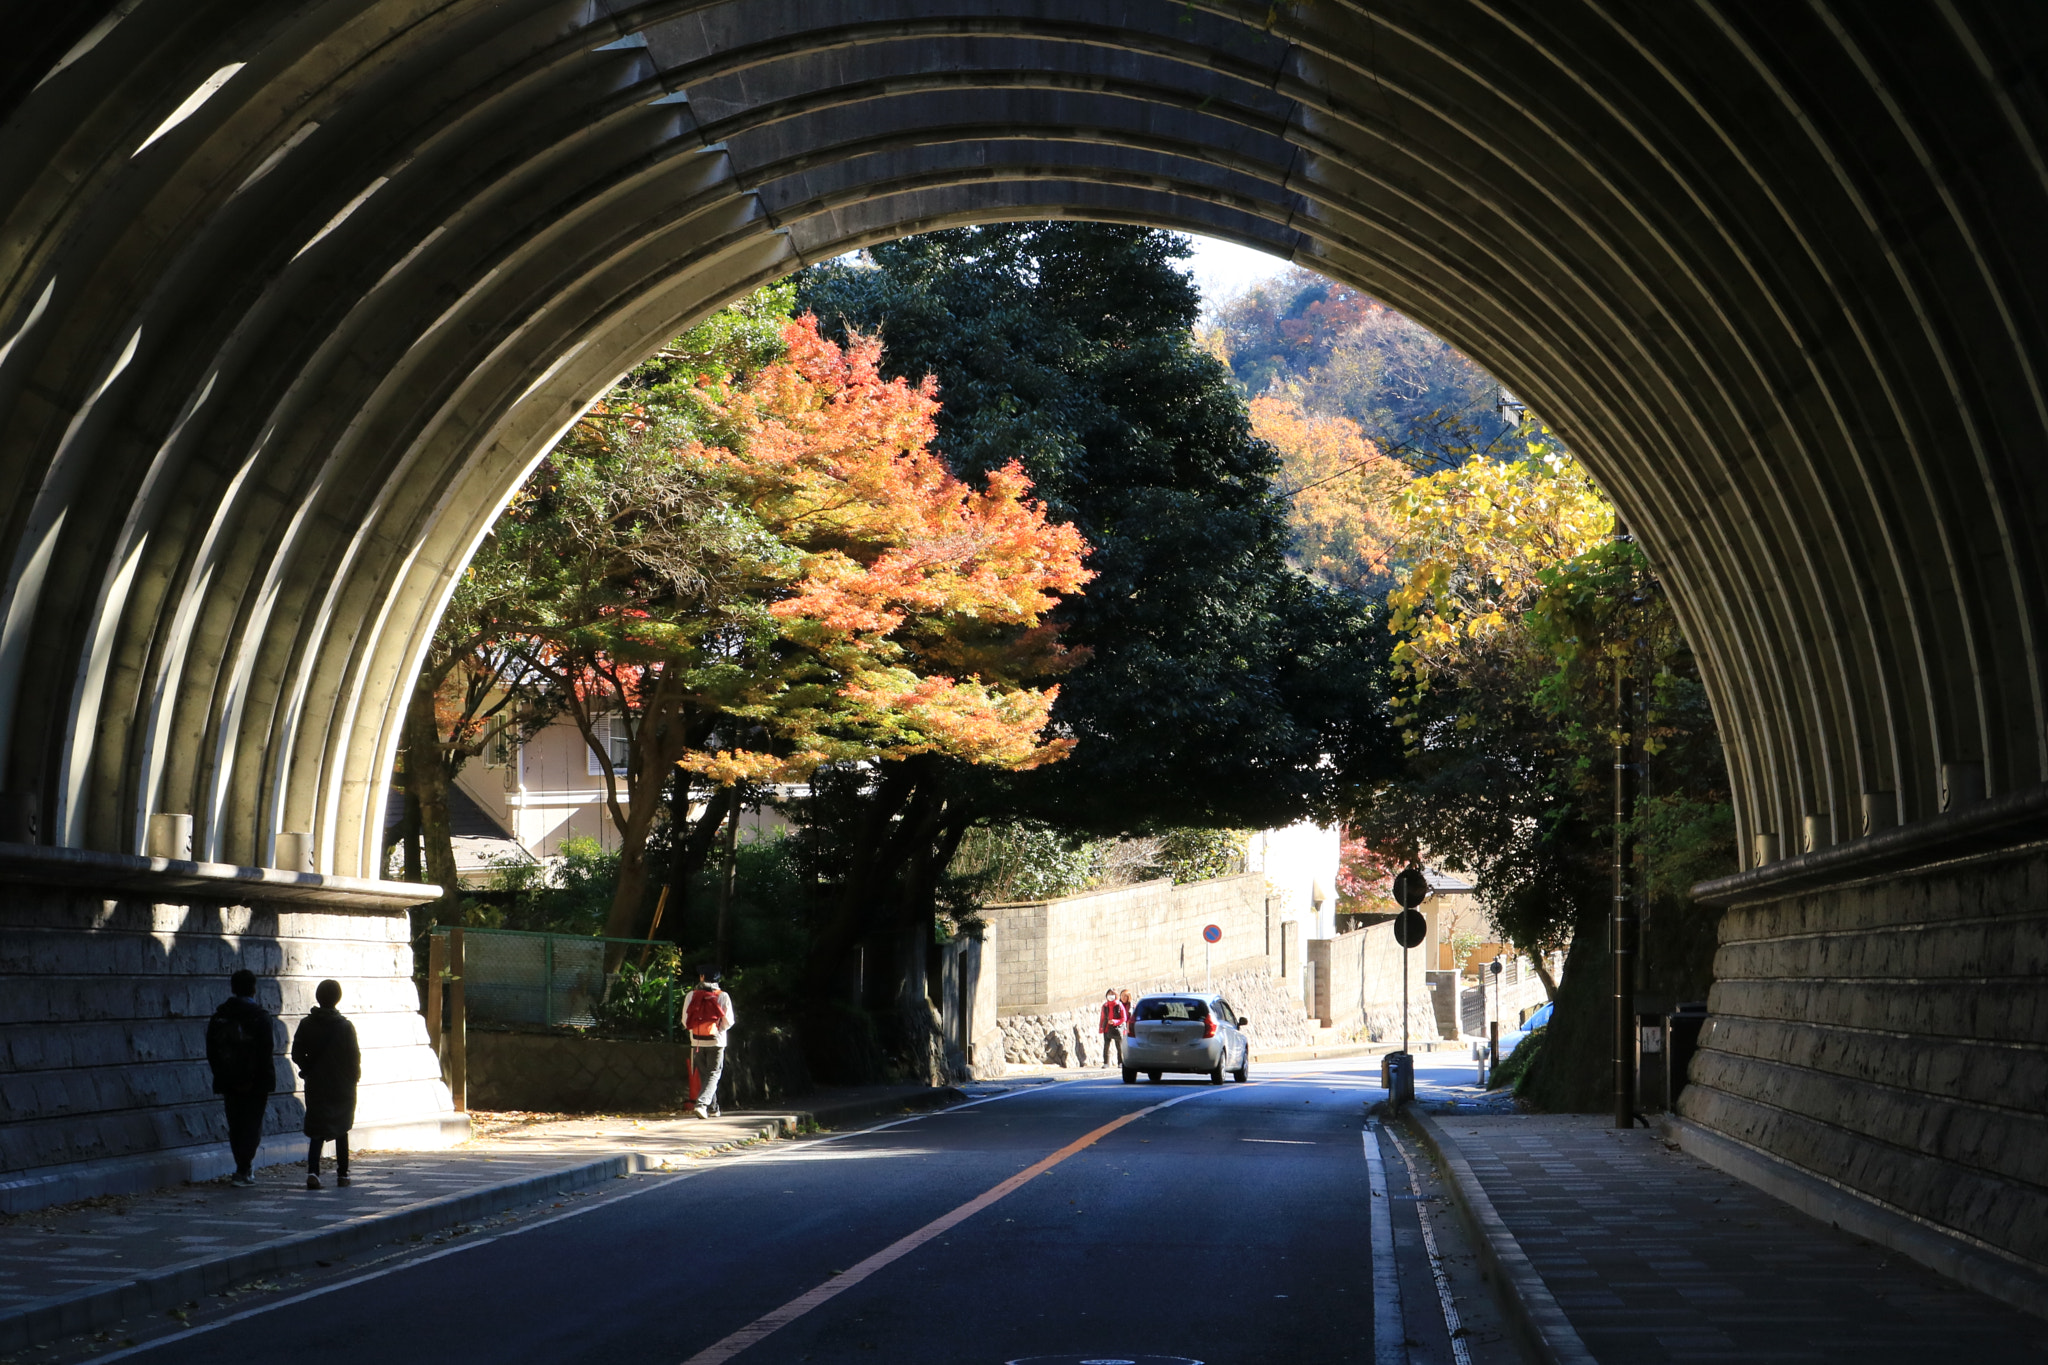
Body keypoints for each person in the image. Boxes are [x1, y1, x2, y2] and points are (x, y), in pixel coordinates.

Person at [205, 969, 275, 1187]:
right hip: (255, 1083)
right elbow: (266, 1051)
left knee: (235, 1123)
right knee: (252, 1123)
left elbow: (212, 1050)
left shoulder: (220, 1017)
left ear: (233, 989)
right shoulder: (260, 1017)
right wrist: (258, 1078)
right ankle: (245, 1167)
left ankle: (241, 1166)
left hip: (229, 1079)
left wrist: (222, 1074)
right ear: (254, 989)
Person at [291, 979, 361, 1189]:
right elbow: (354, 1057)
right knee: (341, 1128)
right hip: (341, 1085)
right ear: (337, 998)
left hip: (317, 1083)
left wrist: (308, 1069)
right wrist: (352, 1078)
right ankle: (343, 1174)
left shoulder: (307, 1024)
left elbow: (296, 1053)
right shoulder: (345, 1026)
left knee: (316, 1129)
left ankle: (313, 1171)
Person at [684, 966, 735, 1119]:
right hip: (717, 1042)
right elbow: (729, 1021)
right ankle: (702, 1104)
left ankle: (713, 1108)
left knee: (705, 1075)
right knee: (713, 1074)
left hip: (697, 1041)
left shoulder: (691, 995)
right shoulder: (723, 996)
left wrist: (696, 1033)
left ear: (701, 977)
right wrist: (718, 1030)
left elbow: (684, 1020)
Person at [1098, 988, 1128, 1068]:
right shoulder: (1105, 1006)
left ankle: (1120, 1062)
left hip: (1117, 1029)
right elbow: (1102, 1017)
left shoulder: (1119, 1005)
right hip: (1107, 1028)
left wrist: (1115, 1021)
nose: (1110, 996)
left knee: (1119, 1046)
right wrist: (1101, 1027)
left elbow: (1124, 1018)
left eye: (1112, 994)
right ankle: (1106, 1062)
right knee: (1106, 1046)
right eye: (1109, 994)